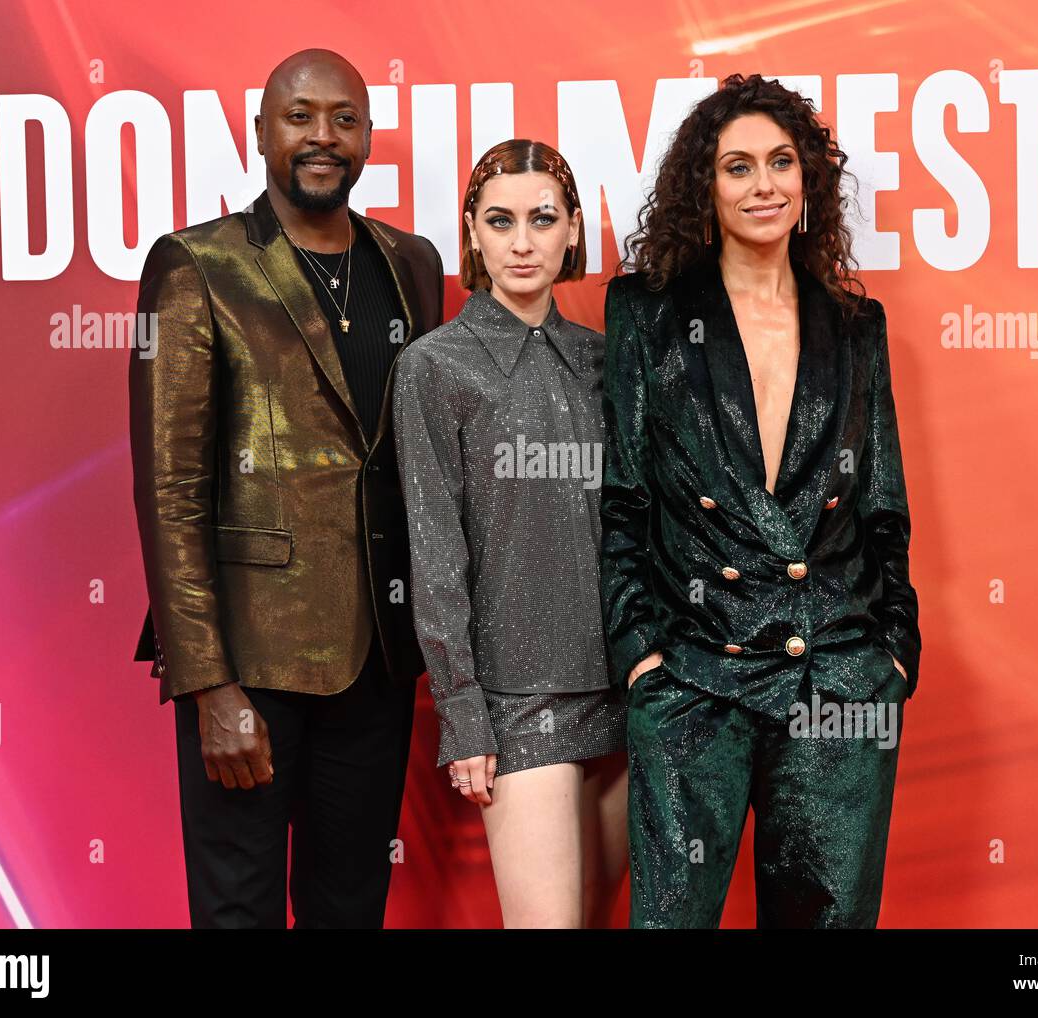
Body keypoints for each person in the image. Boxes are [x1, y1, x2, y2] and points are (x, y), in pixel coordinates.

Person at [128, 48, 444, 928]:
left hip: (378, 663)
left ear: (369, 138)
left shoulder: (411, 265)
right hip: (249, 670)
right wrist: (208, 687)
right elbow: (171, 490)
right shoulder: (197, 265)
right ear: (261, 132)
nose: (322, 137)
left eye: (344, 118)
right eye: (300, 116)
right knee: (241, 912)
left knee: (353, 907)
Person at [601, 73, 922, 928]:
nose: (764, 185)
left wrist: (892, 651)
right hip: (694, 679)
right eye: (737, 167)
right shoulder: (649, 316)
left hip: (839, 680)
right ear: (704, 187)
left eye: (782, 163)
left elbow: (883, 511)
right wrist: (642, 655)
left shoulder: (858, 328)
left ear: (808, 181)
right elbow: (624, 503)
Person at [393, 140, 628, 928]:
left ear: (571, 234)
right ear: (473, 232)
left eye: (541, 219)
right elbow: (434, 550)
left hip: (629, 685)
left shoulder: (605, 362)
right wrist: (463, 710)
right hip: (517, 697)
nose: (521, 242)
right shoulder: (434, 366)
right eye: (501, 221)